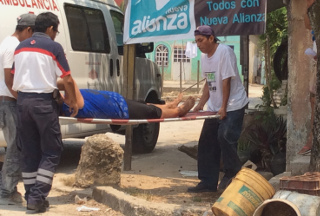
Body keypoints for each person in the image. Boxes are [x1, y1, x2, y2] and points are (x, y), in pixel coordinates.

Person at [12, 12, 79, 213]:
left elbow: (14, 77)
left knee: (30, 151)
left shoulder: (20, 47)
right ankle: (37, 196)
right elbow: (66, 78)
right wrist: (73, 100)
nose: (56, 34)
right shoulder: (53, 47)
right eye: (56, 30)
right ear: (50, 28)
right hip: (43, 104)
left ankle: (31, 195)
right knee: (51, 150)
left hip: (23, 103)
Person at [187, 25, 249, 193]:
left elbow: (226, 81)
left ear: (211, 38)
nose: (198, 44)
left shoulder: (224, 52)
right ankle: (207, 182)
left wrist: (223, 107)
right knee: (206, 141)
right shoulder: (204, 57)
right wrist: (201, 104)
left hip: (233, 104)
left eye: (201, 40)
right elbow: (209, 82)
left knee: (225, 137)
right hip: (215, 106)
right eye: (196, 41)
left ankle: (232, 175)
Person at [0, 13, 36, 205]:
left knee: (14, 146)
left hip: (8, 101)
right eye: (33, 34)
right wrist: (22, 100)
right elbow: (9, 79)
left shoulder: (7, 42)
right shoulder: (13, 47)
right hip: (9, 102)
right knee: (15, 147)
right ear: (28, 30)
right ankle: (7, 190)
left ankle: (7, 186)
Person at [57, 79, 196, 119]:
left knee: (144, 104)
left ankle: (170, 105)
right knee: (150, 111)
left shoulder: (70, 100)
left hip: (118, 101)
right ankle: (179, 110)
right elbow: (68, 81)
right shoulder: (71, 105)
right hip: (120, 110)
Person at [298, 0, 317, 155]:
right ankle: (311, 138)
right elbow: (307, 25)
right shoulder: (316, 12)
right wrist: (308, 8)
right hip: (318, 61)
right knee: (313, 99)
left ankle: (312, 139)